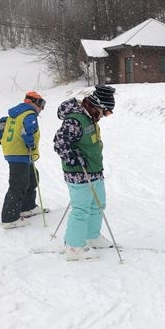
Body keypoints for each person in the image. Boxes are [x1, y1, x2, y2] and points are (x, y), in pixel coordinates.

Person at [53, 85, 116, 261]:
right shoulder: (75, 120)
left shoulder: (90, 118)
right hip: (79, 173)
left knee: (98, 204)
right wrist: (73, 158)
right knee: (81, 210)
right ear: (98, 106)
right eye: (107, 112)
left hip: (94, 170)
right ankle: (73, 247)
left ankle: (92, 237)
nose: (106, 115)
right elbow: (59, 143)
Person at [0, 92, 46, 229]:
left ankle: (28, 207)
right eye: (41, 104)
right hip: (20, 153)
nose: (41, 108)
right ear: (32, 102)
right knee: (18, 185)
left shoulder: (14, 114)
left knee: (32, 178)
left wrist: (0, 136)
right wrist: (30, 144)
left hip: (17, 153)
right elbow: (28, 131)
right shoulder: (29, 114)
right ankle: (10, 218)